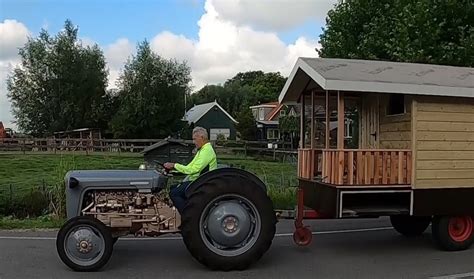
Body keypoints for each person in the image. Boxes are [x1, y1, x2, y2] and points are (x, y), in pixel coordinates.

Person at [164, 127, 217, 214]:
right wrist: (174, 170)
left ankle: (188, 216)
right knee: (173, 188)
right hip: (197, 180)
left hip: (201, 182)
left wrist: (174, 165)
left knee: (174, 193)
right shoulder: (202, 150)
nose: (193, 142)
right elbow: (190, 167)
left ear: (202, 138)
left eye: (195, 139)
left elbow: (193, 169)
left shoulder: (206, 151)